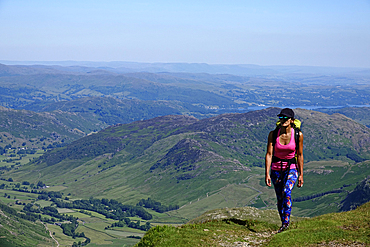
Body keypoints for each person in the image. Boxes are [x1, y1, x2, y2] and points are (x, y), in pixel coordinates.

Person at [265, 108, 304, 233]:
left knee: (287, 191)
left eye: (286, 118)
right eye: (281, 118)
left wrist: (301, 174)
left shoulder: (298, 135)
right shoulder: (273, 134)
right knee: (280, 198)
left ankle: (286, 223)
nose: (283, 120)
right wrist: (267, 173)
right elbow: (269, 154)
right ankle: (283, 222)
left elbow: (300, 155)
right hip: (276, 169)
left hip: (291, 168)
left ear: (292, 120)